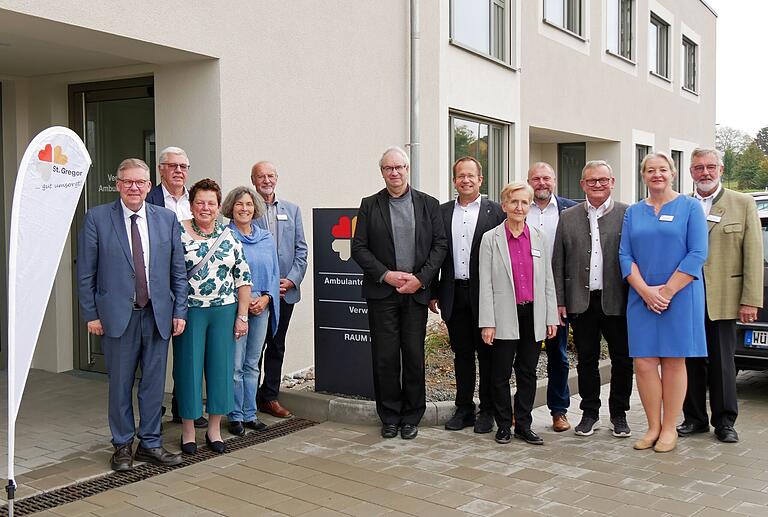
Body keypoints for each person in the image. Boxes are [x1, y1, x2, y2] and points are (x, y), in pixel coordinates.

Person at [77, 158, 186, 471]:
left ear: (149, 185)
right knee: (121, 384)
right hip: (116, 317)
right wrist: (91, 315)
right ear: (118, 185)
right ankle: (122, 445)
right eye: (128, 182)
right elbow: (86, 272)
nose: (134, 187)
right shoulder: (98, 218)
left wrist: (179, 310)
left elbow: (177, 270)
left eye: (140, 182)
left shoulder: (166, 219)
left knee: (153, 384)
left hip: (157, 315)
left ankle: (150, 443)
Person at [351, 146, 447, 440]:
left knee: (414, 356)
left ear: (408, 170)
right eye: (388, 168)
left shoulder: (429, 204)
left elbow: (440, 246)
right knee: (385, 357)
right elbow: (359, 248)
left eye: (399, 168)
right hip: (383, 293)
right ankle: (390, 416)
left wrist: (420, 279)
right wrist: (387, 275)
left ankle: (411, 416)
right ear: (382, 172)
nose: (394, 173)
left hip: (415, 293)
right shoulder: (369, 205)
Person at [619, 152, 708, 453]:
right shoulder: (633, 211)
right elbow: (624, 255)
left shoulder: (690, 207)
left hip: (680, 296)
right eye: (650, 170)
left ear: (673, 173)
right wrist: (645, 291)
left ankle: (670, 427)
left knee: (673, 361)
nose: (657, 175)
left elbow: (697, 254)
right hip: (641, 297)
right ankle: (652, 427)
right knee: (644, 363)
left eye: (663, 170)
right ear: (643, 175)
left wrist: (666, 292)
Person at [678, 148, 763, 443]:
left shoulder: (742, 203)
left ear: (721, 169)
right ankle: (694, 418)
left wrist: (750, 299)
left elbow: (753, 254)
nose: (705, 172)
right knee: (691, 360)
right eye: (699, 167)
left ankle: (725, 421)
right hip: (686, 296)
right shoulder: (681, 204)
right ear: (691, 172)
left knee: (723, 361)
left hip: (725, 297)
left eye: (710, 167)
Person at [552, 161, 633, 438]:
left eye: (602, 180)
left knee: (622, 359)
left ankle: (619, 414)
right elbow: (558, 262)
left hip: (617, 300)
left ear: (612, 181)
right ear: (582, 185)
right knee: (586, 359)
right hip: (581, 301)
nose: (597, 185)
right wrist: (560, 300)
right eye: (591, 181)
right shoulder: (568, 216)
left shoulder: (627, 214)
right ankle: (589, 413)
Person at [173, 178, 252, 455]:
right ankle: (188, 431)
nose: (205, 208)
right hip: (190, 312)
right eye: (199, 203)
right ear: (191, 206)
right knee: (188, 371)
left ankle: (215, 430)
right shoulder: (178, 232)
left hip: (224, 310)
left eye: (211, 203)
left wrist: (242, 316)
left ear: (219, 207)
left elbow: (243, 278)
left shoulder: (229, 236)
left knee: (220, 370)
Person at [479, 181, 559, 446]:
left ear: (529, 206)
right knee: (500, 373)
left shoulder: (539, 237)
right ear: (504, 205)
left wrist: (551, 317)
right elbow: (486, 284)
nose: (519, 207)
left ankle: (524, 424)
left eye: (524, 202)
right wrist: (487, 322)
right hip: (503, 315)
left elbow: (547, 280)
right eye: (514, 201)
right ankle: (504, 425)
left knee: (527, 372)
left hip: (533, 314)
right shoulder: (491, 239)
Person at [429, 157, 505, 434]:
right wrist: (434, 291)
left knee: (487, 354)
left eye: (471, 175)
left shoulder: (496, 212)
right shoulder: (442, 212)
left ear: (480, 180)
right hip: (453, 293)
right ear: (454, 181)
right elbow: (436, 254)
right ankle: (464, 409)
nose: (466, 180)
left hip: (485, 295)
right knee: (461, 354)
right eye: (460, 176)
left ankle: (487, 411)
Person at [145, 146, 206, 429]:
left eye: (183, 166)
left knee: (188, 352)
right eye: (172, 166)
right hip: (157, 287)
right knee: (153, 356)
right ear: (160, 169)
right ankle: (152, 412)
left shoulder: (195, 201)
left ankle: (186, 408)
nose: (179, 171)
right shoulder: (148, 199)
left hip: (191, 287)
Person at [221, 186, 281, 437]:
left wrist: (266, 298)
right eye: (239, 205)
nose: (244, 209)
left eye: (248, 204)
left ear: (255, 208)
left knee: (252, 364)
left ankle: (250, 413)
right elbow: (222, 276)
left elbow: (274, 273)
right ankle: (234, 415)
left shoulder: (266, 238)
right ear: (230, 209)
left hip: (261, 308)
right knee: (234, 365)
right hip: (236, 310)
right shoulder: (224, 236)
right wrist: (244, 303)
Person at [251, 161, 308, 419]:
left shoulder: (292, 210)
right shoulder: (247, 209)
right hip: (258, 294)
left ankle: (269, 396)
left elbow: (301, 251)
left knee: (276, 344)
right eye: (261, 176)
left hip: (286, 292)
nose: (266, 180)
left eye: (270, 175)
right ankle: (247, 399)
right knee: (254, 347)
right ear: (253, 181)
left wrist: (292, 280)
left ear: (277, 178)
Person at [526, 162, 577, 432]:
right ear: (528, 181)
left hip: (557, 296)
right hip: (525, 293)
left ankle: (559, 411)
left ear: (554, 180)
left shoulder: (570, 209)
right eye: (536, 178)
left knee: (558, 354)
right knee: (525, 356)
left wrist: (564, 298)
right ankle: (522, 410)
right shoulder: (521, 207)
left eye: (546, 178)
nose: (541, 183)